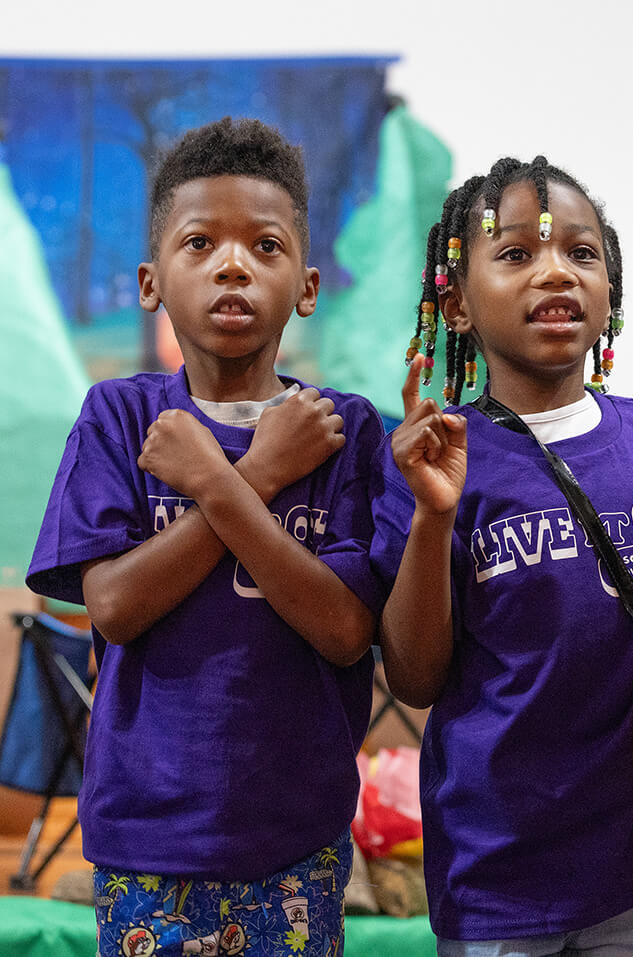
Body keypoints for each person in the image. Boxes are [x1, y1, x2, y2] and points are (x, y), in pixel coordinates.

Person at [370, 155, 633, 954]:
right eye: (515, 254)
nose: (554, 272)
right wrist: (433, 515)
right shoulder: (436, 454)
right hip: (499, 871)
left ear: (610, 292)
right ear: (455, 304)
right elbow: (413, 677)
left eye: (581, 254)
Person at [26, 117, 384, 957]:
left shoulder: (342, 432)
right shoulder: (121, 419)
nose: (233, 264)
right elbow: (111, 606)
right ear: (152, 281)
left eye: (266, 245)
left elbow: (344, 631)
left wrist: (223, 481)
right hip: (148, 841)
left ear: (306, 285)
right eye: (201, 243)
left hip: (296, 840)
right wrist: (254, 478)